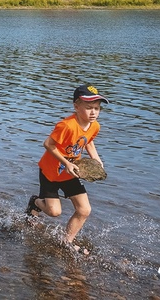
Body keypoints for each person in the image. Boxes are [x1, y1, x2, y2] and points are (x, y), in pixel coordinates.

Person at [25, 84, 109, 248]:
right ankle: (35, 203)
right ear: (76, 107)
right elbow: (48, 144)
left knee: (84, 210)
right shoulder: (67, 126)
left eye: (97, 108)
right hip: (51, 172)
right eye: (89, 108)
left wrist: (97, 159)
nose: (94, 112)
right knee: (54, 212)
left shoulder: (95, 126)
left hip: (71, 172)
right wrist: (66, 162)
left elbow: (88, 142)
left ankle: (67, 241)